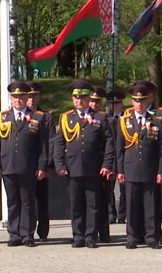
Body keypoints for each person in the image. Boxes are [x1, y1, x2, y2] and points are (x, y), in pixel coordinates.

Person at [54, 80, 114, 248]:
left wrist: (107, 164)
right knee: (76, 204)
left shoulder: (100, 117)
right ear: (73, 99)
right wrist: (59, 164)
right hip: (72, 168)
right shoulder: (66, 118)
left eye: (83, 97)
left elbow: (109, 142)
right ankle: (78, 236)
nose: (79, 101)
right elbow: (59, 142)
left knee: (93, 204)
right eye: (76, 98)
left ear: (89, 98)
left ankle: (90, 236)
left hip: (93, 167)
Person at [0, 81, 48, 247]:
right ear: (11, 98)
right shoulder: (2, 117)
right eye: (15, 97)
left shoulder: (38, 117)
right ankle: (14, 234)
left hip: (28, 166)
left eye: (21, 97)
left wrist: (41, 166)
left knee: (28, 202)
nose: (18, 100)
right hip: (7, 165)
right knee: (12, 201)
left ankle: (27, 234)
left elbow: (42, 145)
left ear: (26, 98)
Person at [116, 83, 162, 249]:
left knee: (150, 204)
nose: (139, 103)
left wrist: (161, 170)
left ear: (147, 101)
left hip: (149, 168)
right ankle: (132, 237)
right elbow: (119, 148)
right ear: (132, 101)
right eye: (136, 100)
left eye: (142, 100)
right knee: (131, 205)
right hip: (130, 168)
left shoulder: (156, 121)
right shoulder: (124, 121)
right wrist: (120, 170)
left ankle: (151, 236)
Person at [26, 81, 54, 242]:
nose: (31, 100)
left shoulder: (46, 115)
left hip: (42, 163)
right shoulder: (21, 114)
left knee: (42, 199)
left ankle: (43, 232)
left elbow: (51, 141)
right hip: (25, 165)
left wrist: (49, 164)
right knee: (26, 200)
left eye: (34, 96)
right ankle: (26, 230)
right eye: (29, 96)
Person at [89, 85, 114, 241]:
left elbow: (110, 143)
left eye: (97, 101)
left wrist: (108, 164)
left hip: (101, 165)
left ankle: (103, 233)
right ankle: (88, 231)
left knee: (103, 200)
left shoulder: (104, 118)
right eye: (92, 101)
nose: (94, 104)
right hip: (88, 165)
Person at [106, 89, 127, 224]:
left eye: (117, 103)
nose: (115, 106)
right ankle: (110, 214)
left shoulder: (127, 119)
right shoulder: (105, 119)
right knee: (108, 188)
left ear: (122, 104)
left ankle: (123, 214)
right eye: (112, 104)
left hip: (125, 157)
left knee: (125, 188)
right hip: (110, 157)